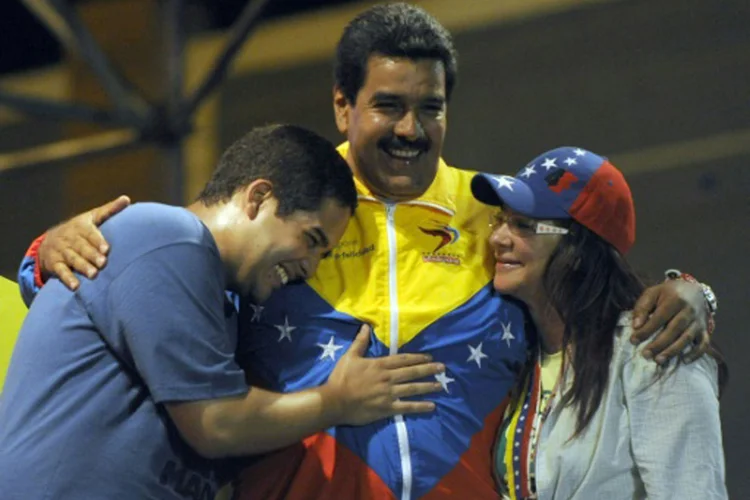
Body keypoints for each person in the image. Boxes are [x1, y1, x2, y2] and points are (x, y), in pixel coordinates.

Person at [16, 4, 718, 499]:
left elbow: (592, 282)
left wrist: (687, 291)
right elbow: (161, 265)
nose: (411, 128)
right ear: (343, 107)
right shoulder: (288, 205)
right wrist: (46, 253)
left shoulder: (496, 220)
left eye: (431, 108)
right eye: (388, 105)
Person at [0, 124, 446, 499]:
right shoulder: (168, 237)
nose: (309, 269)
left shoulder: (225, 304)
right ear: (258, 198)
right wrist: (337, 401)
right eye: (311, 240)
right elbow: (214, 424)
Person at [471, 146, 727, 499]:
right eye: (501, 220)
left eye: (523, 225)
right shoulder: (520, 354)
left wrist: (698, 294)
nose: (497, 238)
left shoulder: (655, 346)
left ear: (578, 250)